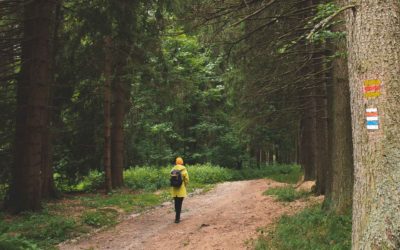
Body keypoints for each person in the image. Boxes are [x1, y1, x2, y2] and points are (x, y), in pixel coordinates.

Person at [171, 157, 189, 223]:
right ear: (182, 162)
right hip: (181, 189)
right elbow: (187, 179)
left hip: (174, 189)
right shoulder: (184, 170)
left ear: (176, 162)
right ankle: (177, 218)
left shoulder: (172, 169)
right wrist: (185, 185)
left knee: (176, 203)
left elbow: (171, 179)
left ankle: (176, 217)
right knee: (180, 203)